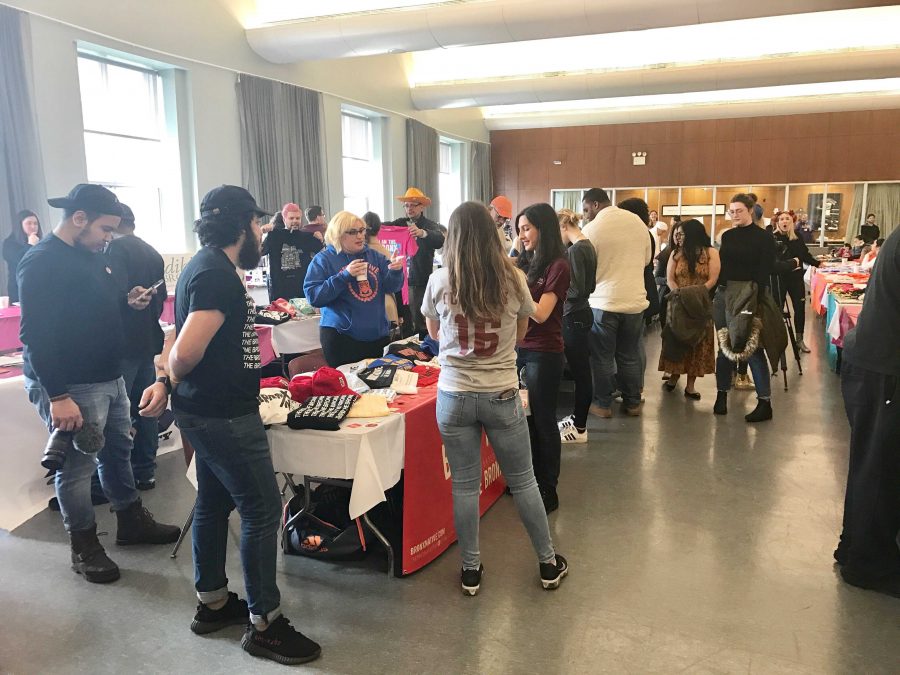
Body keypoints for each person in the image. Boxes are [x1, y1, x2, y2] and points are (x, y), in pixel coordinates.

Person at [169, 185, 321, 664]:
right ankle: (265, 624)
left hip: (207, 411)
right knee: (260, 509)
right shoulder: (216, 275)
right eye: (258, 224)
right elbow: (186, 351)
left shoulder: (202, 265)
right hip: (224, 415)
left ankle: (213, 603)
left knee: (213, 503)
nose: (262, 232)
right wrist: (169, 373)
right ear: (241, 225)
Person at [18, 183, 178, 584]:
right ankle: (84, 547)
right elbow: (35, 335)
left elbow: (95, 308)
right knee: (75, 469)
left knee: (118, 452)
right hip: (72, 384)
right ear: (79, 219)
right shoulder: (42, 262)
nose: (110, 237)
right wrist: (58, 395)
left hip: (109, 377)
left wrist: (130, 300)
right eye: (105, 228)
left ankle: (130, 520)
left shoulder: (95, 257)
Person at [421, 201, 568, 596]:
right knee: (524, 482)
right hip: (500, 391)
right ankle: (548, 562)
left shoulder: (439, 279)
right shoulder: (514, 277)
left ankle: (470, 570)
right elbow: (522, 334)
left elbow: (433, 333)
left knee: (465, 486)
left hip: (453, 394)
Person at [833, 226, 900, 598]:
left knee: (870, 466)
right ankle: (868, 565)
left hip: (874, 363)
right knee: (880, 470)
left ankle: (854, 547)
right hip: (884, 368)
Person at [105, 203, 166, 490]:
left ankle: (121, 475)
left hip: (123, 343)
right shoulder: (152, 252)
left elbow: (110, 297)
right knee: (148, 408)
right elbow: (161, 297)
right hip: (148, 340)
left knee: (119, 411)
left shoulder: (114, 251)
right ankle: (147, 470)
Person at [514, 203, 570, 513]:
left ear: (542, 229)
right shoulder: (526, 262)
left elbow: (542, 313)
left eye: (526, 229)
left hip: (544, 353)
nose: (521, 235)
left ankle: (548, 486)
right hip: (520, 350)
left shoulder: (558, 266)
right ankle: (529, 480)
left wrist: (516, 286)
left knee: (544, 419)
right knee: (525, 420)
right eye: (519, 229)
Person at [581, 189, 651, 418]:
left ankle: (602, 404)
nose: (585, 215)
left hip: (604, 302)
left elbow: (586, 267)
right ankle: (632, 403)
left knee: (602, 357)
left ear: (594, 204)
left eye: (585, 209)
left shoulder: (592, 229)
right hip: (634, 303)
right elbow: (647, 260)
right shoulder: (638, 224)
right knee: (629, 355)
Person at [304, 210, 404, 367]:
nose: (360, 236)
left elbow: (392, 286)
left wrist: (395, 271)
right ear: (338, 234)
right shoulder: (323, 260)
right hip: (342, 338)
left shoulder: (374, 256)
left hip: (377, 336)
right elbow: (314, 297)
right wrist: (344, 276)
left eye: (362, 230)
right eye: (353, 232)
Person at [713, 194, 776, 423]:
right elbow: (722, 266)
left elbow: (764, 271)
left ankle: (765, 401)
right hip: (725, 294)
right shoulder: (727, 236)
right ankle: (721, 394)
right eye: (731, 211)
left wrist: (756, 300)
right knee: (724, 346)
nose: (735, 215)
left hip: (750, 295)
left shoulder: (764, 238)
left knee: (753, 348)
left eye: (739, 210)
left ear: (750, 210)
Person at [659, 219, 720, 399]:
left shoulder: (711, 253)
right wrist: (678, 293)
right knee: (675, 340)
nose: (679, 237)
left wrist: (696, 293)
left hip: (700, 304)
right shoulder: (676, 254)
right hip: (678, 303)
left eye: (682, 234)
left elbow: (712, 279)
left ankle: (690, 385)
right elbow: (669, 278)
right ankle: (673, 375)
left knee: (698, 343)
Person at [556, 209, 596, 444]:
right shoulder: (586, 246)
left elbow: (577, 289)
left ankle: (579, 427)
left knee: (581, 373)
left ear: (563, 226)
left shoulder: (576, 250)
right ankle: (577, 419)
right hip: (580, 312)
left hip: (574, 315)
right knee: (581, 371)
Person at [385, 187, 444, 337]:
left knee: (421, 319)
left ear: (422, 206)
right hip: (401, 279)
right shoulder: (400, 223)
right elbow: (384, 228)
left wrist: (422, 233)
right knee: (404, 319)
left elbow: (439, 239)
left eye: (413, 205)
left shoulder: (430, 225)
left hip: (420, 280)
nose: (409, 208)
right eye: (406, 205)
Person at [772, 210, 820, 353]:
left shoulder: (797, 237)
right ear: (777, 222)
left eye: (787, 219)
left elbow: (804, 255)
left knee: (799, 309)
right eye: (781, 219)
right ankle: (776, 340)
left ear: (791, 222)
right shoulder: (772, 238)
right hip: (779, 278)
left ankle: (799, 340)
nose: (784, 221)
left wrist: (817, 263)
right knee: (777, 310)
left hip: (795, 278)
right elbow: (773, 261)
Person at [262, 202, 323, 302]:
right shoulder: (273, 236)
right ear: (284, 219)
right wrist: (261, 234)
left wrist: (321, 240)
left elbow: (322, 254)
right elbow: (259, 252)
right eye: (291, 218)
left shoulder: (307, 237)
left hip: (301, 288)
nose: (295, 221)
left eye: (297, 218)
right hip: (280, 290)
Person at [363, 211, 400, 327]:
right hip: (387, 300)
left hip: (366, 301)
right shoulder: (385, 252)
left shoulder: (360, 253)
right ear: (379, 228)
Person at [3, 209, 42, 303]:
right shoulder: (9, 243)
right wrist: (30, 245)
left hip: (39, 287)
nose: (33, 226)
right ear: (20, 225)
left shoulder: (42, 242)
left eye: (35, 223)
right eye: (29, 223)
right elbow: (20, 261)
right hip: (19, 289)